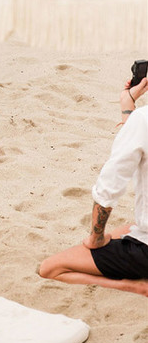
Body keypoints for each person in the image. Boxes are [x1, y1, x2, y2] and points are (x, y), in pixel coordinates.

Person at [39, 75, 148, 296]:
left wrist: (96, 237)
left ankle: (132, 286)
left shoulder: (143, 120)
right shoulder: (140, 121)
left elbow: (109, 187)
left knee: (50, 268)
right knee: (128, 227)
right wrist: (128, 109)